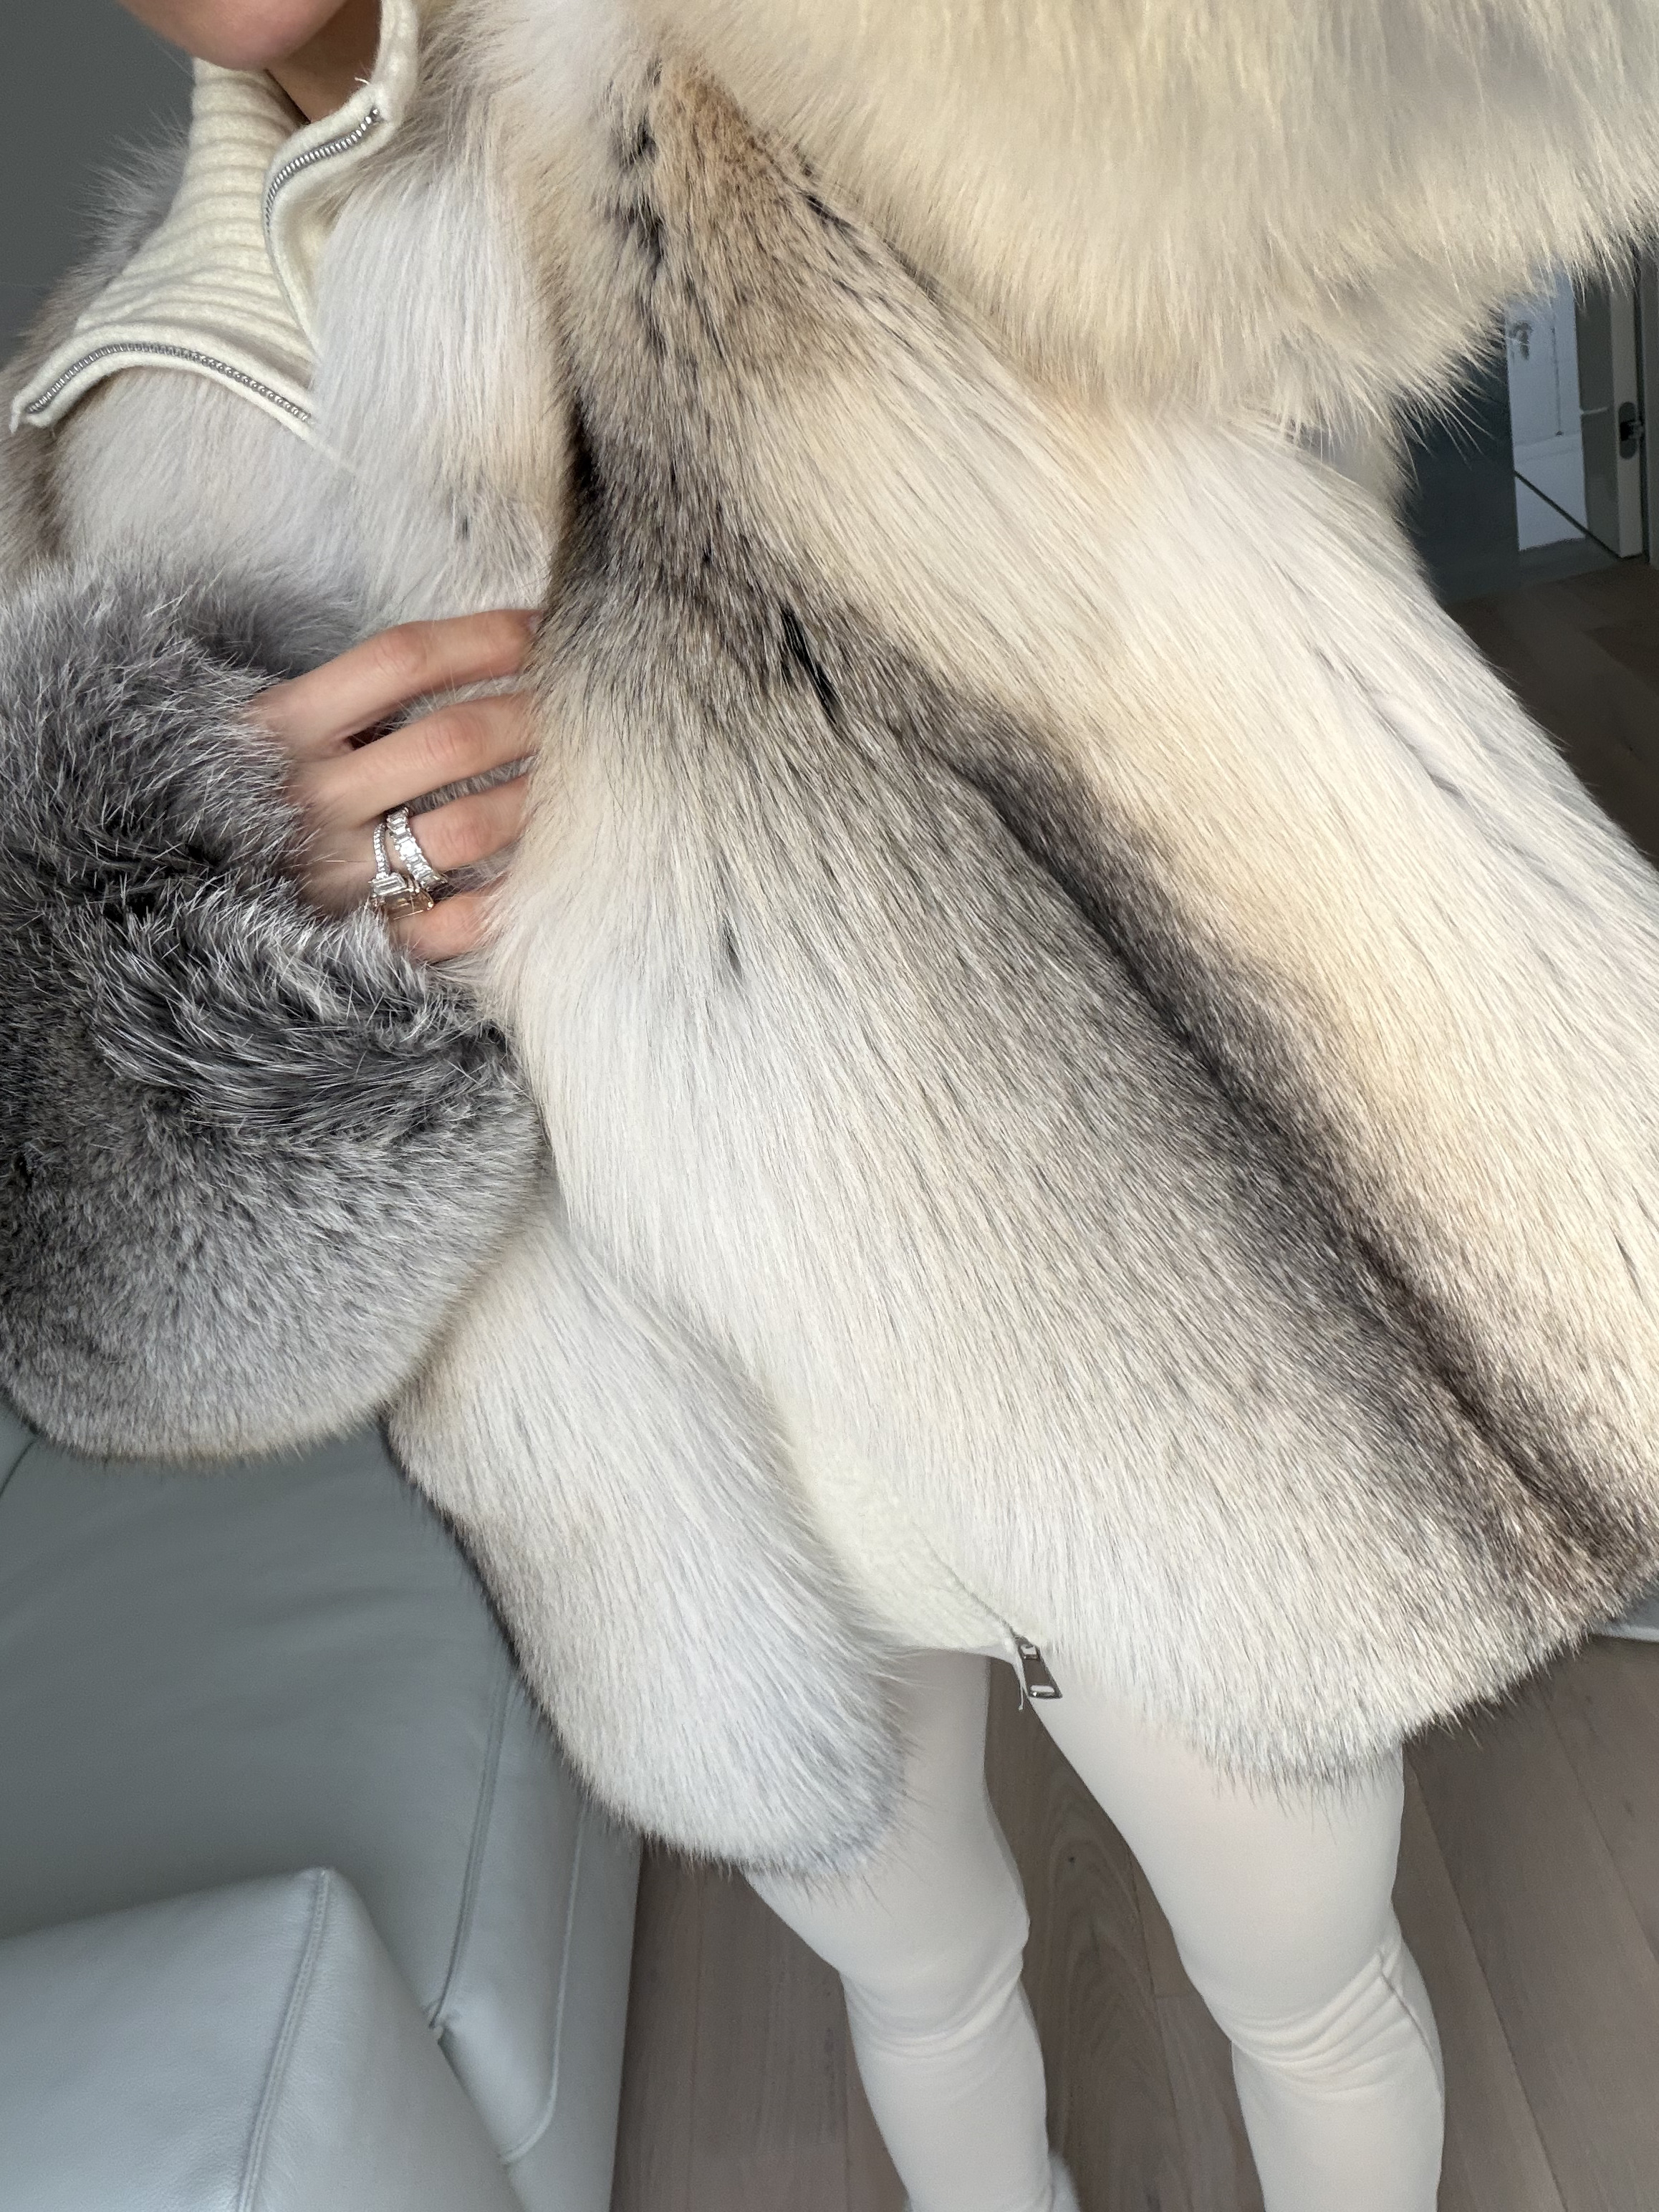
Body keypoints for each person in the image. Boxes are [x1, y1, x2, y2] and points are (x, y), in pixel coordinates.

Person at [9, 6, 1659, 2211]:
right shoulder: (86, 428)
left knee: (1305, 1988)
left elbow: (1424, 127)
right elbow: (142, 1327)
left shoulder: (771, 55)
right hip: (691, 1485)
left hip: (1150, 1328)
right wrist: (196, 912)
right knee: (929, 1989)